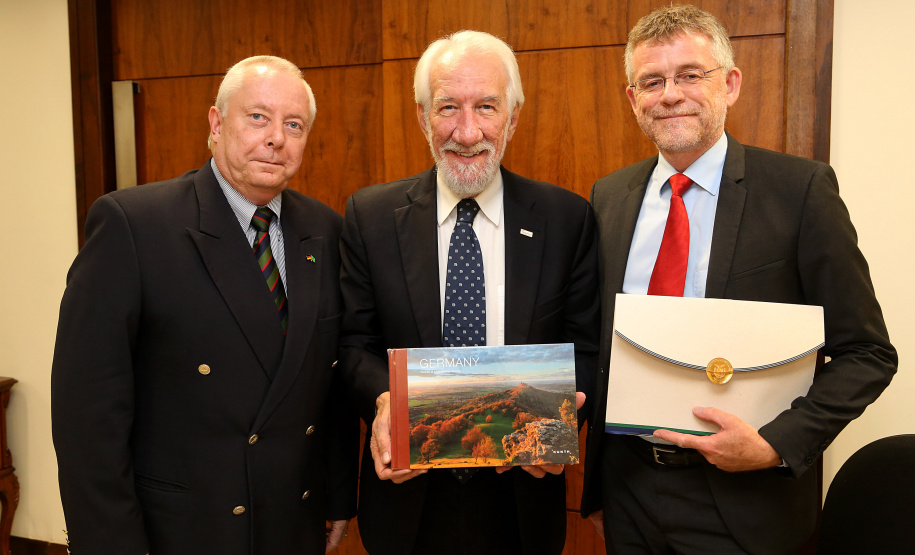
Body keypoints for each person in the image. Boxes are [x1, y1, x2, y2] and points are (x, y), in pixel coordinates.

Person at [581, 5, 897, 554]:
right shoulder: (608, 197)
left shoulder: (800, 192)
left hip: (745, 504)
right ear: (634, 99)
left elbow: (867, 353)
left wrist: (774, 445)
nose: (670, 94)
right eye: (651, 81)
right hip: (629, 489)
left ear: (729, 84)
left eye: (690, 75)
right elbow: (595, 341)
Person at [51, 55, 358, 555]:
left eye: (294, 124)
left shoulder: (325, 230)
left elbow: (330, 388)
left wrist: (337, 497)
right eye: (258, 117)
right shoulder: (133, 225)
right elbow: (87, 418)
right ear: (216, 124)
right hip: (181, 529)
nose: (276, 137)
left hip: (292, 524)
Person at [339, 30, 599, 555]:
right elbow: (350, 346)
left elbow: (589, 349)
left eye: (486, 106)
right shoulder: (369, 217)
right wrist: (385, 401)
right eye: (447, 108)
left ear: (513, 116)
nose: (467, 131)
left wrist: (560, 420)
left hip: (523, 500)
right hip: (408, 506)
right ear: (421, 116)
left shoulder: (566, 219)